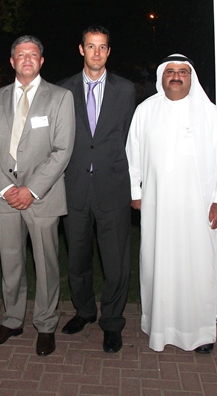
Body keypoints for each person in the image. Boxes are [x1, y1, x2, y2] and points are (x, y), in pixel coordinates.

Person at [126, 54, 217, 353]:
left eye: (183, 72)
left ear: (191, 77)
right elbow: (132, 155)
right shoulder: (146, 110)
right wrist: (135, 192)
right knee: (158, 264)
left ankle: (199, 333)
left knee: (197, 267)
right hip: (157, 206)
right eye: (170, 71)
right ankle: (159, 328)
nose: (176, 76)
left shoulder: (210, 114)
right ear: (161, 77)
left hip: (198, 207)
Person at [0, 35, 75, 356]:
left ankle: (46, 324)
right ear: (12, 61)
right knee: (10, 263)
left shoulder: (60, 97)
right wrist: (6, 188)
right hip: (4, 196)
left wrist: (31, 190)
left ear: (42, 61)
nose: (27, 59)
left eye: (33, 54)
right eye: (21, 54)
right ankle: (12, 320)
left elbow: (62, 150)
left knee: (46, 265)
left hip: (43, 196)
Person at [57, 26, 135, 353]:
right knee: (77, 259)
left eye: (102, 47)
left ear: (109, 51)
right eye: (91, 46)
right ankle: (85, 311)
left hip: (112, 187)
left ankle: (112, 322)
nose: (97, 53)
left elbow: (131, 138)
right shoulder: (63, 90)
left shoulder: (126, 90)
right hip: (74, 187)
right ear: (81, 49)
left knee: (115, 262)